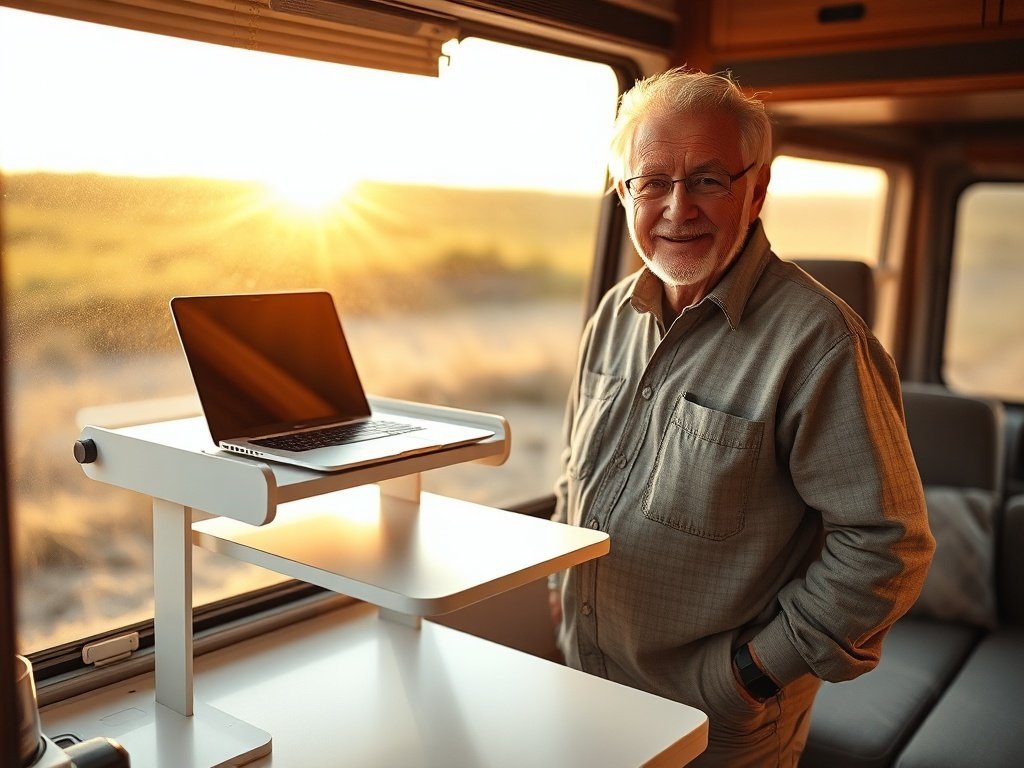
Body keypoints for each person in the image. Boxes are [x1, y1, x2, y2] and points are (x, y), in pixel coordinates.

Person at [549, 67, 935, 767]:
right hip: (584, 686)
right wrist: (557, 588)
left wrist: (748, 675)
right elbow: (577, 473)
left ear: (755, 191)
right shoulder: (611, 316)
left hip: (715, 725)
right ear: (623, 194)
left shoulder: (819, 342)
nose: (676, 208)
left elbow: (886, 546)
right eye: (652, 182)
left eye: (707, 180)